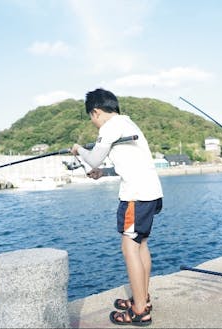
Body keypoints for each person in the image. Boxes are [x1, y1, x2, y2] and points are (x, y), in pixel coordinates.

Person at [71, 88, 163, 326]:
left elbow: (92, 158)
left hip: (135, 195)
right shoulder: (127, 123)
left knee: (128, 247)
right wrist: (103, 173)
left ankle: (140, 311)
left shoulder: (109, 126)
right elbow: (127, 163)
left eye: (92, 118)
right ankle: (142, 298)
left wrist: (78, 149)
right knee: (140, 244)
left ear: (96, 111)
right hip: (150, 193)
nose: (93, 123)